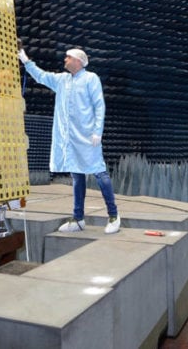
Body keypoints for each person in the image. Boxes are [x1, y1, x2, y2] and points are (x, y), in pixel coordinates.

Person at [18, 45, 120, 234]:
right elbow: (42, 76)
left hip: (88, 137)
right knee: (76, 176)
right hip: (69, 139)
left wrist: (98, 131)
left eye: (68, 57)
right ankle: (78, 218)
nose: (64, 60)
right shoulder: (62, 80)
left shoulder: (91, 79)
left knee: (99, 172)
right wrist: (26, 61)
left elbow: (99, 105)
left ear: (78, 61)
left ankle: (114, 215)